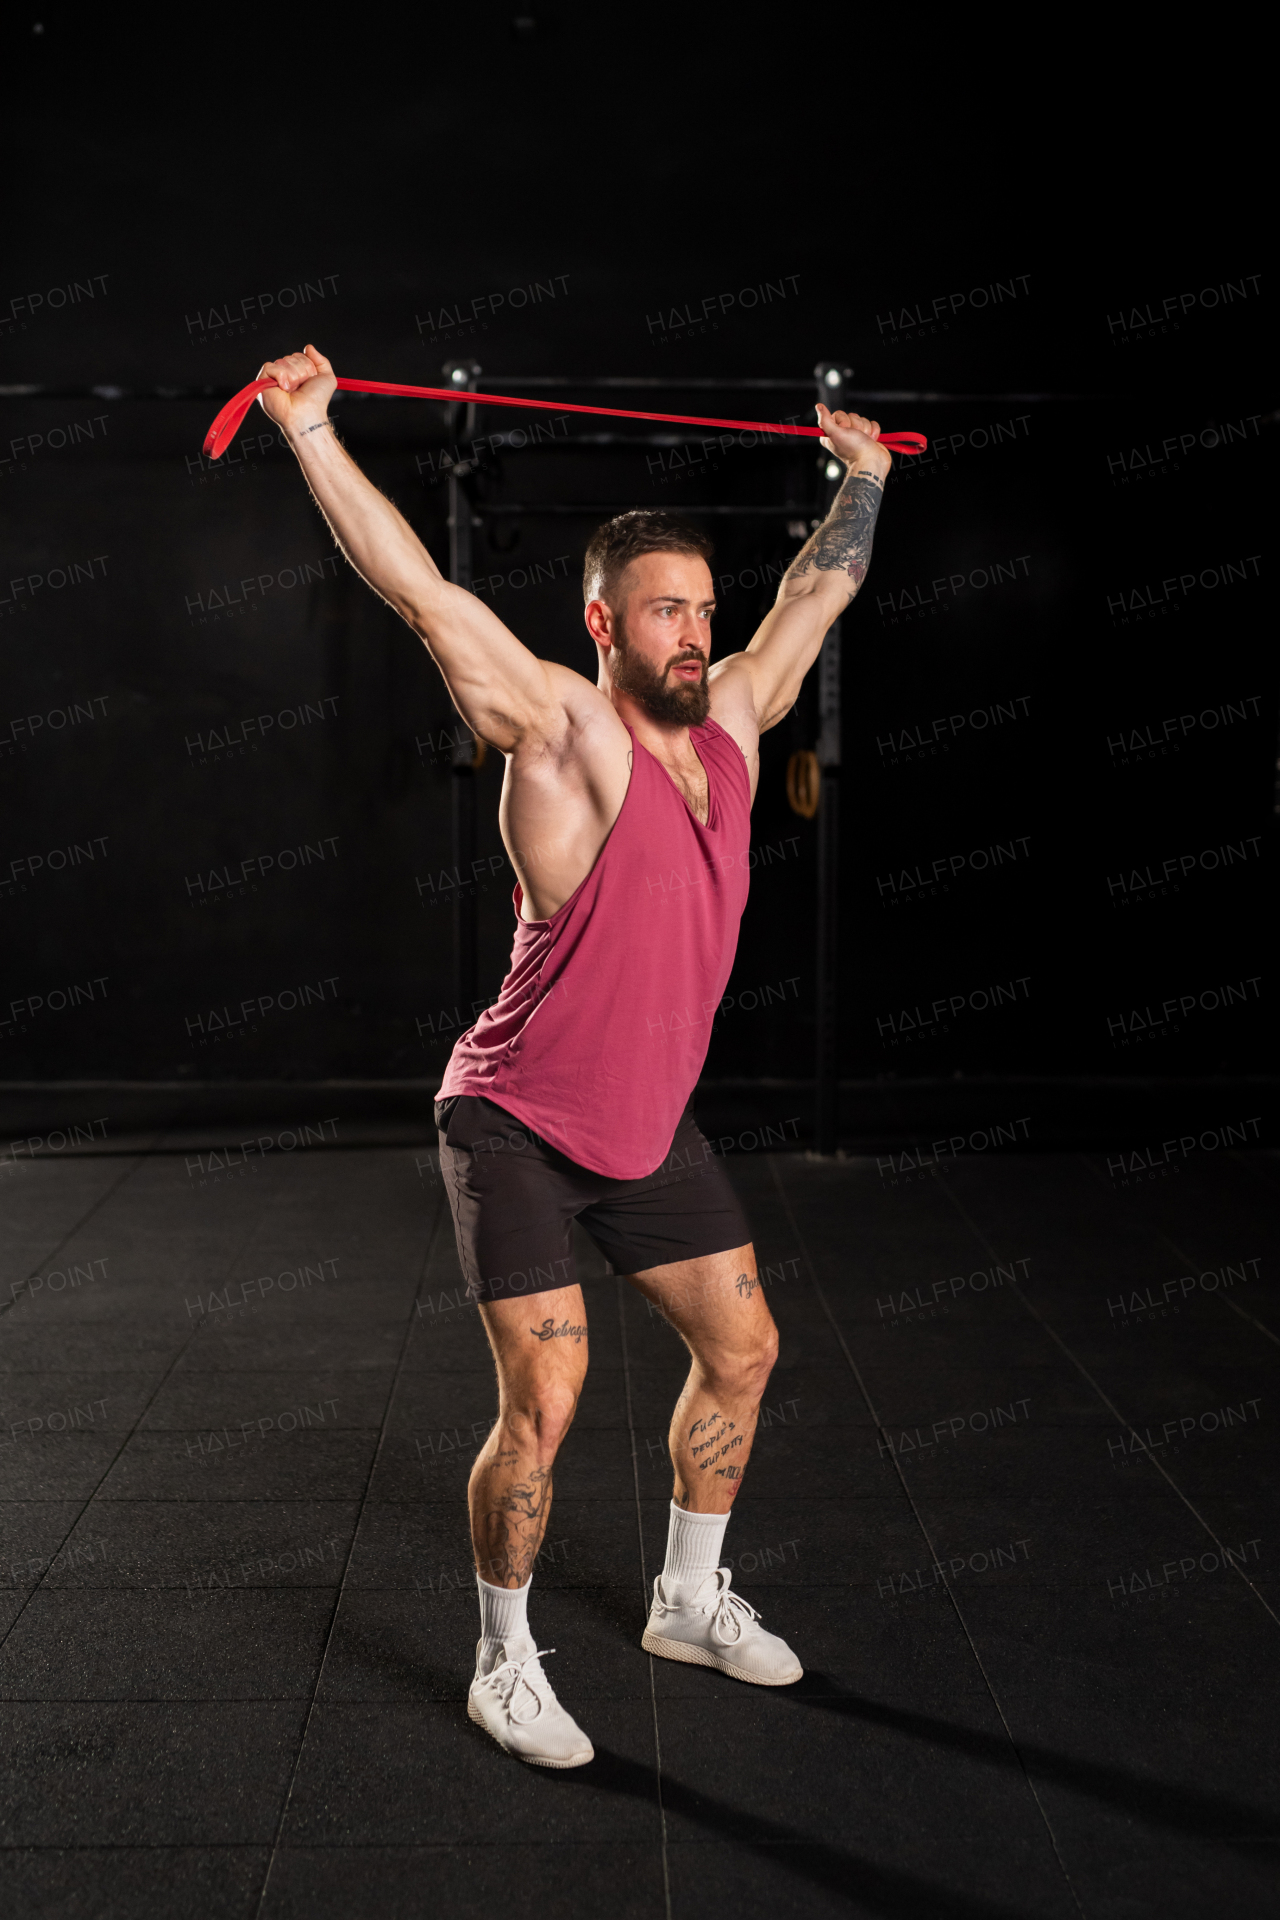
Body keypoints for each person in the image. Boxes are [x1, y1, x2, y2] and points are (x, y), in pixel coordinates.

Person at [256, 345, 891, 1767]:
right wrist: (311, 432)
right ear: (601, 620)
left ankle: (682, 1599)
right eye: (663, 609)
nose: (691, 631)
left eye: (700, 611)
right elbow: (422, 593)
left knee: (748, 1352)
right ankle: (503, 1661)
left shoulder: (728, 718)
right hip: (519, 1120)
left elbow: (816, 595)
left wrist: (860, 482)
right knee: (546, 1402)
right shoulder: (559, 726)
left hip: (647, 1127)